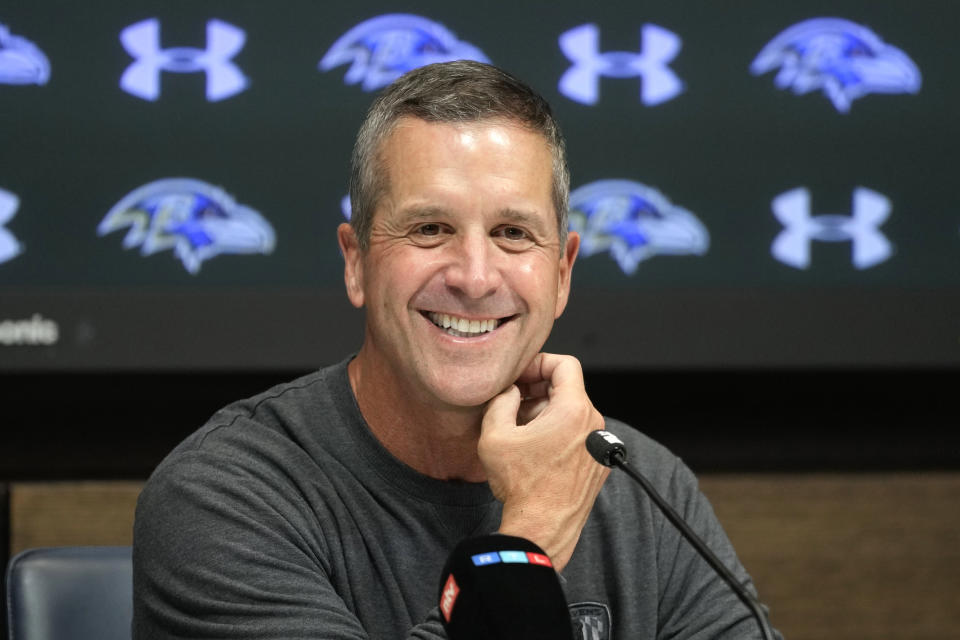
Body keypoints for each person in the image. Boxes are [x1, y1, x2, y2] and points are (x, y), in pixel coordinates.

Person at [133, 60, 778, 639]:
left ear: (562, 275)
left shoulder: (643, 484)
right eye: (430, 228)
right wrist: (531, 540)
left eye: (512, 232)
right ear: (356, 263)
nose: (474, 275)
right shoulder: (222, 495)